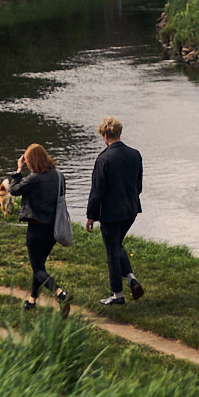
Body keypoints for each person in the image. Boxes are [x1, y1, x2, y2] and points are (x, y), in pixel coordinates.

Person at [85, 116, 144, 304]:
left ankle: (117, 295)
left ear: (104, 135)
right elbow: (139, 186)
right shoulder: (135, 154)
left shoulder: (104, 159)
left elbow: (97, 191)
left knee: (112, 250)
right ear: (119, 133)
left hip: (111, 213)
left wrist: (91, 216)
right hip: (131, 210)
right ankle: (131, 279)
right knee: (117, 244)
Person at [3, 143, 69, 310]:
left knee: (38, 268)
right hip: (53, 229)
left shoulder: (34, 178)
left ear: (31, 161)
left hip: (36, 229)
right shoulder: (59, 176)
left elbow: (15, 190)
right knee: (39, 265)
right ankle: (32, 300)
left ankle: (61, 293)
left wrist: (18, 170)